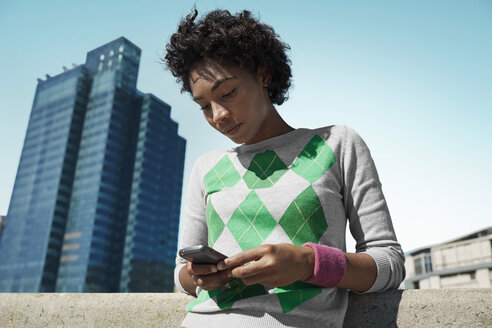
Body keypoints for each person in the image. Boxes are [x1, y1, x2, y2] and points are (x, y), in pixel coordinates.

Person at [164, 9, 405, 328]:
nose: (218, 115)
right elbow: (182, 276)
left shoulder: (337, 144)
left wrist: (310, 263)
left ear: (263, 75)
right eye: (204, 106)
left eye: (228, 93)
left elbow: (389, 262)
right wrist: (198, 274)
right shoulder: (206, 167)